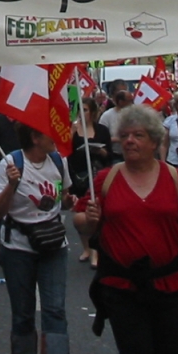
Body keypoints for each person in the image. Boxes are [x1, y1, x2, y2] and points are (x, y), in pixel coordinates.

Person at [74, 104, 178, 354]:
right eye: (125, 135)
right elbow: (80, 221)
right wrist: (88, 220)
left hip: (168, 285)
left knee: (172, 352)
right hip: (121, 288)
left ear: (154, 141)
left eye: (138, 135)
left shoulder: (176, 179)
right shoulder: (106, 179)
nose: (129, 141)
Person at [0, 122, 75, 354]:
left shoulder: (59, 161)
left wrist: (71, 202)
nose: (57, 136)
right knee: (23, 314)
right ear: (35, 137)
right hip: (18, 248)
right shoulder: (11, 164)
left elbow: (65, 199)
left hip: (54, 246)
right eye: (50, 132)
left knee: (55, 311)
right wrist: (11, 185)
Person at [68, 95, 110, 265]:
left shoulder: (102, 130)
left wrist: (100, 152)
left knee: (96, 212)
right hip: (79, 175)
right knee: (80, 211)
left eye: (85, 110)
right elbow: (67, 153)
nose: (82, 114)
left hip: (97, 174)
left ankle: (95, 250)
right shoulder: (74, 129)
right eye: (80, 110)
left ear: (92, 113)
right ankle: (86, 248)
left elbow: (109, 155)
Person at [99, 90, 134, 164]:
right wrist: (117, 139)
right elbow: (101, 137)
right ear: (121, 102)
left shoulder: (134, 114)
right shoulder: (107, 116)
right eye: (129, 101)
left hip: (132, 153)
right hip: (115, 155)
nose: (132, 103)